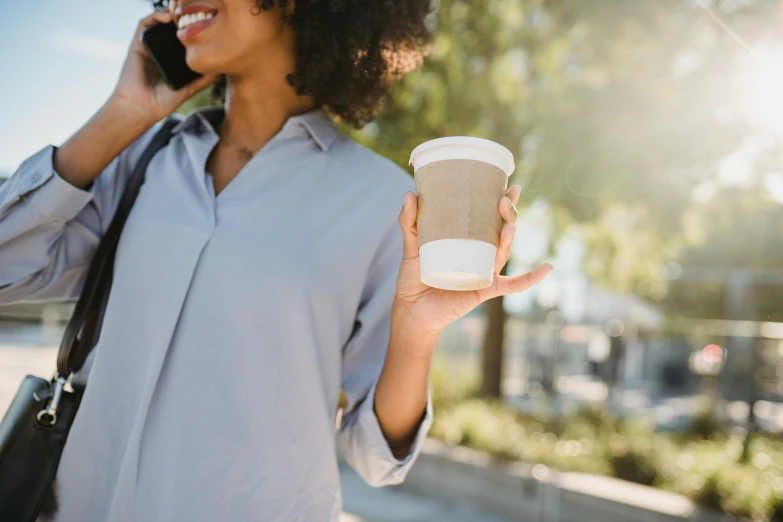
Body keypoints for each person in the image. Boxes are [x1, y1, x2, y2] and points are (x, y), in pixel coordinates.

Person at [0, 1, 552, 520]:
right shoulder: (141, 160)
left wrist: (416, 333)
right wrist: (123, 114)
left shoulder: (389, 203)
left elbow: (376, 457)